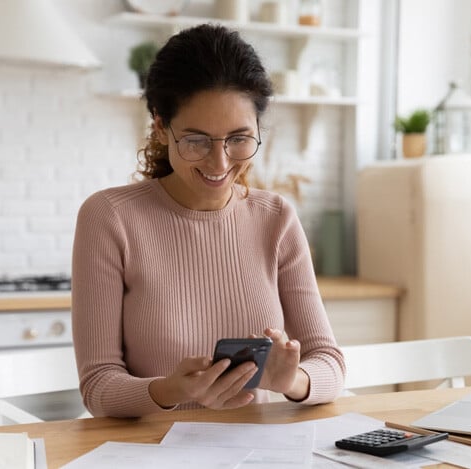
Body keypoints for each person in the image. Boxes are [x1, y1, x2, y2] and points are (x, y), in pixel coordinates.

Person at [71, 24, 345, 417]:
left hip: (259, 455)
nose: (220, 163)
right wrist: (169, 390)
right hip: (154, 453)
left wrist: (292, 381)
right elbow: (98, 386)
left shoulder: (277, 218)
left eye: (239, 138)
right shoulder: (110, 217)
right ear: (161, 128)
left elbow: (330, 364)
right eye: (197, 140)